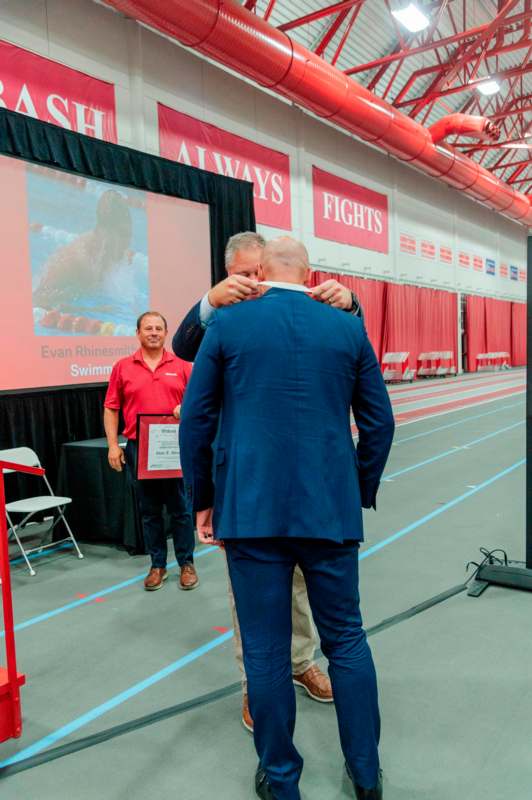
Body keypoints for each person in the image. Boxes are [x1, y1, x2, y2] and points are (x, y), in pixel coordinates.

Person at [179, 237, 394, 800]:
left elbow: (195, 420)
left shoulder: (229, 325)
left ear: (260, 273)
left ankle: (281, 781)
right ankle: (366, 776)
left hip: (248, 510)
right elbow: (379, 423)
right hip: (330, 507)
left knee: (266, 648)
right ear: (310, 273)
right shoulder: (346, 325)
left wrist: (202, 497)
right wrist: (358, 487)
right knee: (346, 639)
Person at [104, 311, 198, 592]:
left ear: (166, 333)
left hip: (175, 447)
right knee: (149, 511)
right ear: (138, 333)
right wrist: (112, 444)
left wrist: (187, 410)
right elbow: (111, 408)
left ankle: (186, 564)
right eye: (148, 328)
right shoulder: (123, 367)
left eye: (159, 328)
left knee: (181, 510)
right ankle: (158, 565)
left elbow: (199, 406)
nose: (154, 332)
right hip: (139, 448)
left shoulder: (183, 366)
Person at [33, 189, 134, 310]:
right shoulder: (78, 260)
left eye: (128, 235)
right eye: (123, 235)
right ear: (105, 231)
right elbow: (38, 301)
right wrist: (93, 310)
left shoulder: (109, 250)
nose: (127, 243)